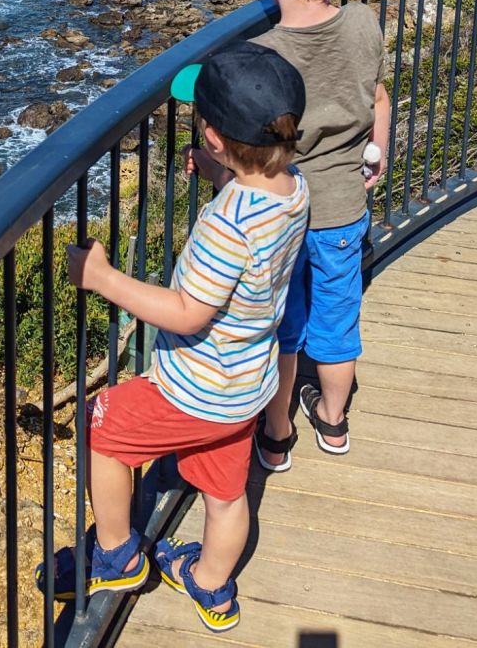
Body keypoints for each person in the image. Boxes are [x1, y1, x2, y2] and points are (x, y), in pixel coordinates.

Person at [41, 42, 308, 632]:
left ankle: (118, 555)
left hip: (198, 388)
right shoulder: (293, 190)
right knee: (226, 492)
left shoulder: (228, 225)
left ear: (213, 135)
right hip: (247, 384)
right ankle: (213, 587)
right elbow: (254, 214)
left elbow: (188, 312)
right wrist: (223, 174)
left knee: (100, 423)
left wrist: (104, 278)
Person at [245, 0, 389, 463]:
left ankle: (277, 434)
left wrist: (209, 167)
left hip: (285, 210)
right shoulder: (363, 22)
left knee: (284, 326)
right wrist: (377, 156)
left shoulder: (266, 53)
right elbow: (377, 98)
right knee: (337, 317)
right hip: (344, 208)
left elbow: (257, 151)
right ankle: (332, 421)